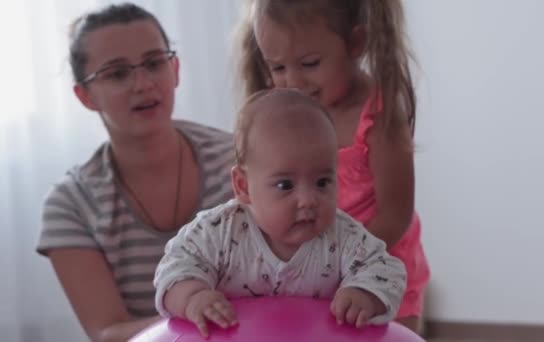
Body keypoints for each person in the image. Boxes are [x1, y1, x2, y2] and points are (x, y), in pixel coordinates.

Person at [35, 3, 235, 341]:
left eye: (155, 63)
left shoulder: (239, 160)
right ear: (85, 96)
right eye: (116, 73)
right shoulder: (71, 204)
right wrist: (194, 315)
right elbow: (108, 333)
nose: (143, 84)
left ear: (175, 69)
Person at [234, 0, 430, 333]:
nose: (293, 81)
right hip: (309, 268)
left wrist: (337, 260)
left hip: (378, 271)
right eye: (278, 68)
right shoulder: (279, 117)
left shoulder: (379, 117)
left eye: (309, 63)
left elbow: (396, 215)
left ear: (356, 43)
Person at [153, 89, 406, 338]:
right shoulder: (218, 231)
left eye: (322, 182)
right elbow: (175, 267)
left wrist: (365, 293)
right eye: (285, 185)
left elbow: (387, 270)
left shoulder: (344, 237)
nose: (308, 200)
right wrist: (193, 297)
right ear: (243, 186)